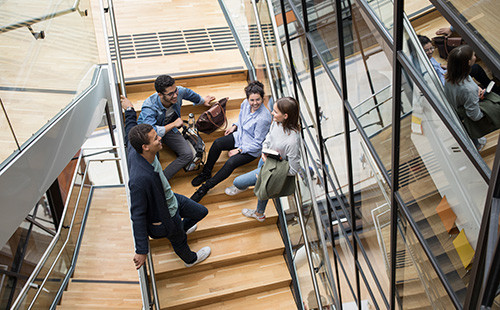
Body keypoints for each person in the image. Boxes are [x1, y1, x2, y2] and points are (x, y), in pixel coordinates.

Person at [121, 96, 211, 269]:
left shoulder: (134, 146)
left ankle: (182, 228)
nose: (160, 139)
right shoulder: (139, 180)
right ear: (145, 147)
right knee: (179, 240)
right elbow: (137, 214)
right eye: (155, 139)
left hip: (170, 198)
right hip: (165, 214)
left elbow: (130, 128)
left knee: (201, 212)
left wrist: (130, 110)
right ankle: (190, 259)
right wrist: (141, 250)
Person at [190, 81, 272, 202]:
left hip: (250, 149)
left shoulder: (264, 118)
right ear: (247, 99)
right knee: (217, 143)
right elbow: (241, 119)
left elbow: (258, 143)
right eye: (252, 100)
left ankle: (205, 187)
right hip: (240, 136)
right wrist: (234, 126)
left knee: (230, 163)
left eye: (258, 100)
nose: (255, 103)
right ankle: (206, 172)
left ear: (262, 98)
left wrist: (239, 150)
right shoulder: (245, 104)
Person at [225, 97, 301, 222]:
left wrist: (272, 169)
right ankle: (259, 214)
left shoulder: (292, 141)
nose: (272, 113)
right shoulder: (277, 123)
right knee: (264, 188)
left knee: (238, 182)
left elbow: (293, 170)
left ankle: (245, 186)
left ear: (285, 115)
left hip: (272, 168)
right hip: (265, 158)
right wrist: (264, 149)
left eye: (276, 112)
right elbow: (269, 137)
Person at [137, 75, 215, 180]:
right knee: (152, 161)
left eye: (175, 91)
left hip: (169, 130)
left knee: (187, 154)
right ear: (160, 94)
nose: (175, 96)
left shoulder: (179, 92)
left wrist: (201, 100)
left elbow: (188, 93)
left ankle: (162, 180)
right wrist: (174, 124)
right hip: (150, 135)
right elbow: (152, 132)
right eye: (170, 94)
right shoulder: (149, 106)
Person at [444, 45, 500, 150]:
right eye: (473, 55)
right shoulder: (468, 89)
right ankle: (477, 145)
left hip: (458, 107)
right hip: (467, 115)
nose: (475, 56)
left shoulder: (450, 76)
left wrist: (477, 90)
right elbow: (475, 115)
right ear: (468, 62)